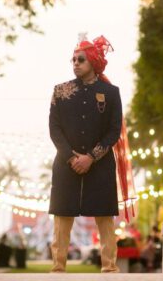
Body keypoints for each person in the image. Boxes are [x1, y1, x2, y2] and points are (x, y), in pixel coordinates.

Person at [48, 34, 136, 273]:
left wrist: (91, 157)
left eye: (81, 59)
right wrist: (72, 157)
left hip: (100, 164)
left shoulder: (111, 93)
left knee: (105, 216)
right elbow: (54, 129)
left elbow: (113, 130)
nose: (75, 63)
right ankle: (58, 268)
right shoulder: (60, 91)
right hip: (67, 164)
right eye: (73, 59)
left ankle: (109, 268)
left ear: (94, 63)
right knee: (62, 216)